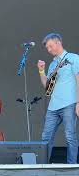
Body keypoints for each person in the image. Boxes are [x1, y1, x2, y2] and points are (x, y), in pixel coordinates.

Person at [37, 33, 79, 164]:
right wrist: (41, 71)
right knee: (46, 137)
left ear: (58, 43)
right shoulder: (52, 64)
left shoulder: (73, 58)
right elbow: (47, 87)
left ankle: (72, 166)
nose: (49, 50)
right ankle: (42, 166)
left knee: (70, 136)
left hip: (70, 104)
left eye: (50, 46)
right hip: (53, 107)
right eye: (47, 48)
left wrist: (78, 102)